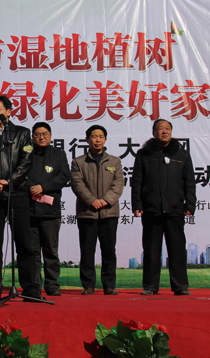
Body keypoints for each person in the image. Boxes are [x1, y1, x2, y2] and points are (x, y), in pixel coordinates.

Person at [0, 95, 43, 303]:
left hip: (18, 195)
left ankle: (30, 290)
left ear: (9, 111)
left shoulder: (23, 133)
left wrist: (9, 182)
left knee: (24, 244)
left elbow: (26, 162)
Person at [131, 119, 196, 296]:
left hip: (175, 209)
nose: (164, 131)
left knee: (177, 249)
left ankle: (180, 286)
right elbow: (137, 182)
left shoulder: (182, 155)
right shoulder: (143, 154)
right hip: (151, 209)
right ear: (154, 133)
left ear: (171, 132)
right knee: (151, 250)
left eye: (167, 128)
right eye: (160, 129)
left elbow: (189, 182)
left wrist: (190, 204)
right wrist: (137, 204)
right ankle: (150, 286)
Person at [71, 125, 124, 295]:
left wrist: (105, 201)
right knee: (87, 251)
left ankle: (109, 285)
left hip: (109, 213)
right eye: (94, 136)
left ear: (105, 139)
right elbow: (77, 184)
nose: (98, 140)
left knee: (109, 251)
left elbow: (118, 184)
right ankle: (88, 285)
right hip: (87, 213)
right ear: (87, 139)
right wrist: (92, 201)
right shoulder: (78, 162)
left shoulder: (114, 161)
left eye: (101, 136)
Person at [27, 122, 70, 296]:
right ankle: (34, 286)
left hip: (50, 211)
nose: (41, 137)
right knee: (32, 251)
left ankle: (52, 285)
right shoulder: (25, 154)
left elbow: (64, 176)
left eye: (44, 133)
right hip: (29, 209)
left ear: (50, 136)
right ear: (32, 137)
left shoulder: (58, 154)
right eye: (37, 134)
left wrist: (43, 187)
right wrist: (32, 188)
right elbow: (19, 175)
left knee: (51, 251)